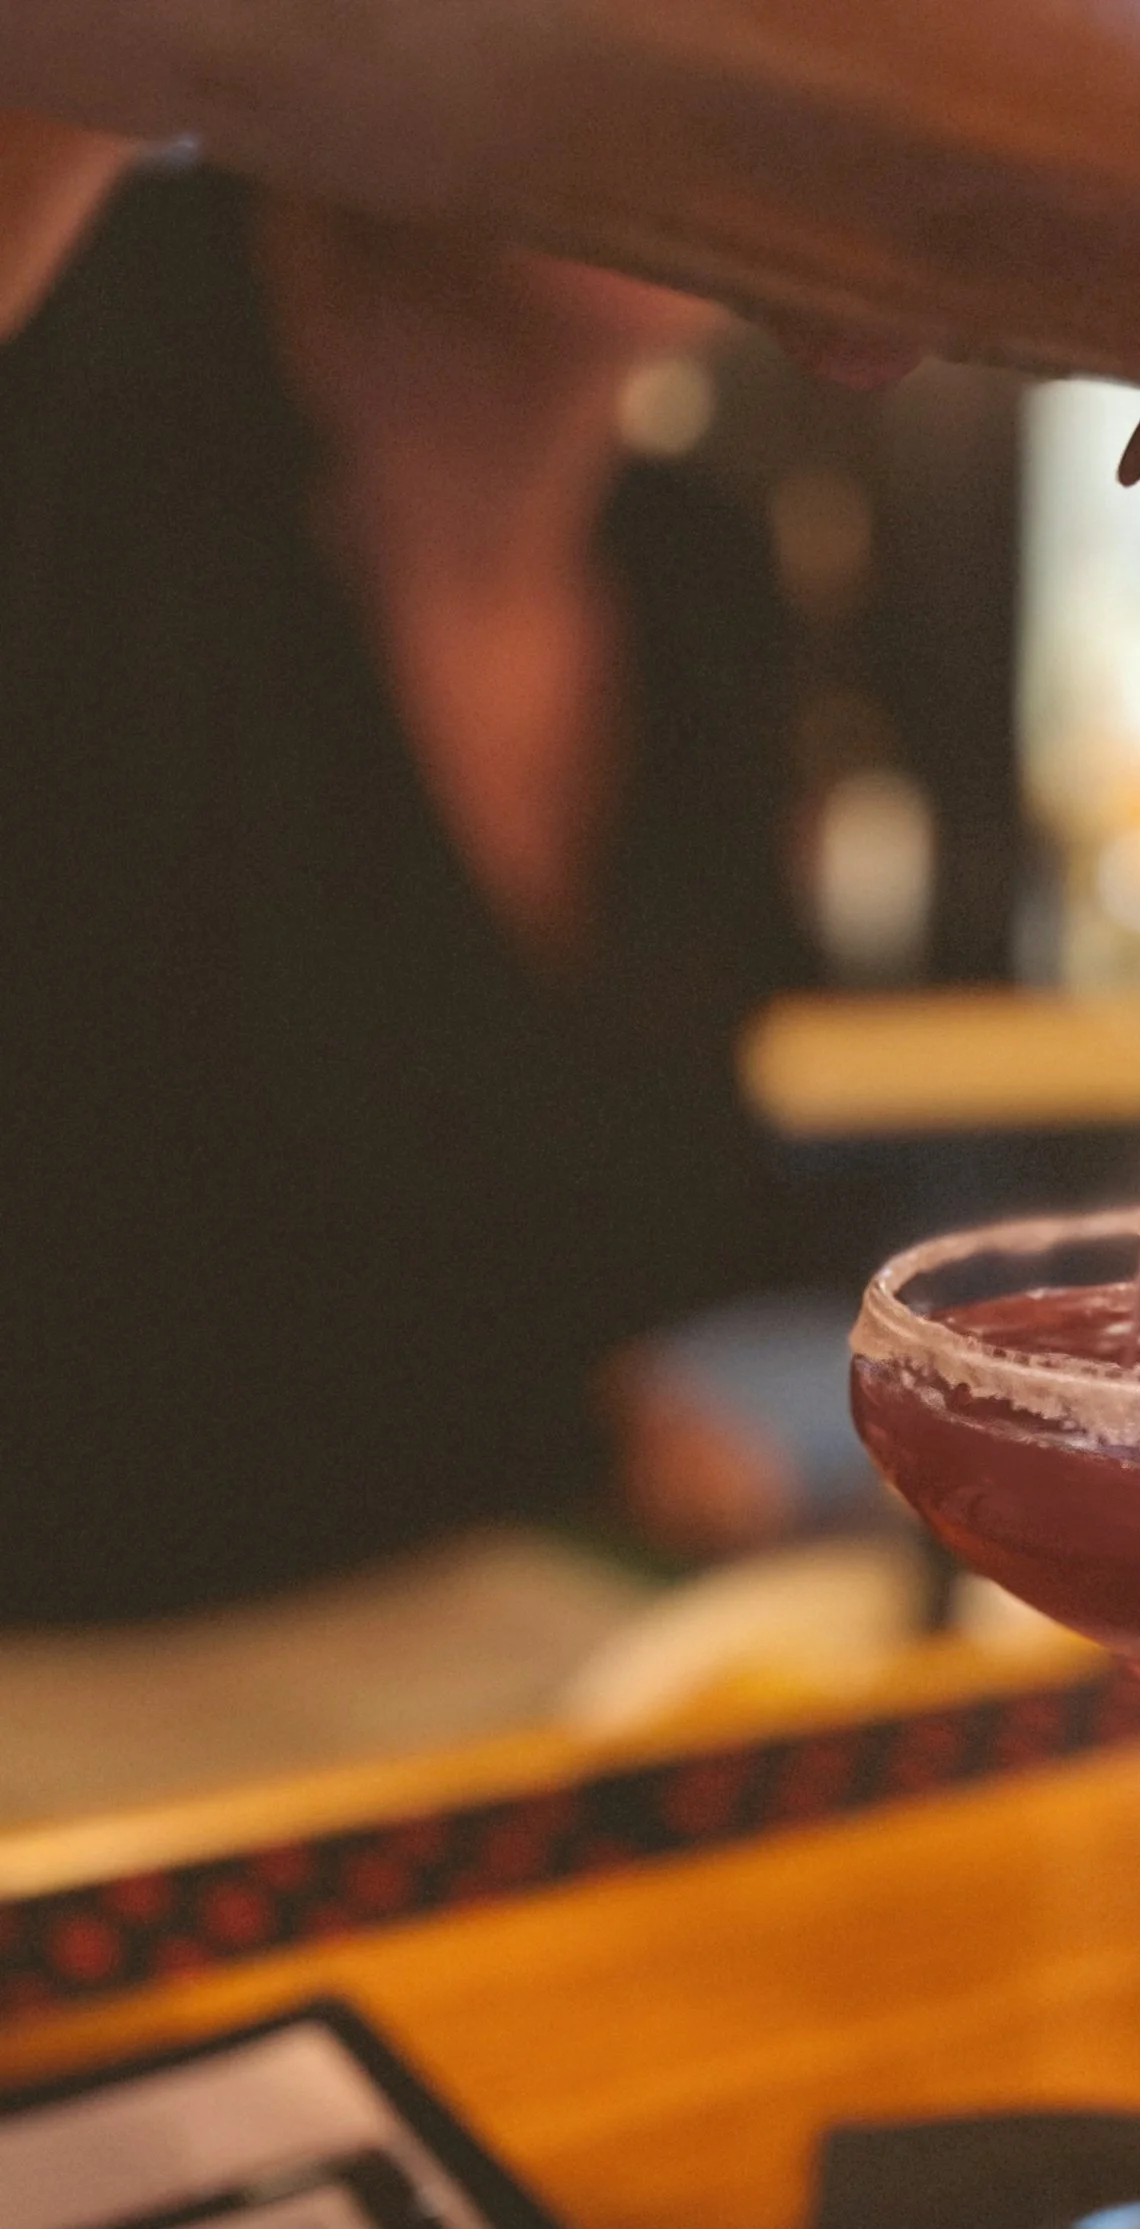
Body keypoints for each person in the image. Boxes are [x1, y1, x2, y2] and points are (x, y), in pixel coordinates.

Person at [0, 118, 851, 1624]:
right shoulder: (65, 397)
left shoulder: (701, 590)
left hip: (487, 1672)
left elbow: (626, 1224)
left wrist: (617, 1418)